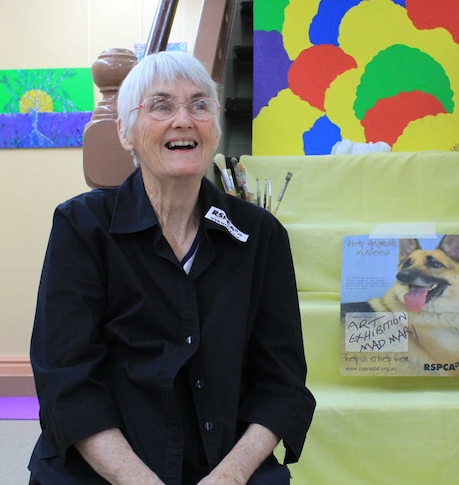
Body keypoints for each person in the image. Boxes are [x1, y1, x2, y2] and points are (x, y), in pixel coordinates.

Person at [28, 50, 315, 484]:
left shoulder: (260, 236)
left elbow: (283, 383)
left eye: (200, 105)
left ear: (215, 130)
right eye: (161, 105)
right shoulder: (82, 228)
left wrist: (230, 476)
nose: (184, 119)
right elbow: (66, 380)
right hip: (104, 467)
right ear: (125, 131)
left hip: (226, 464)